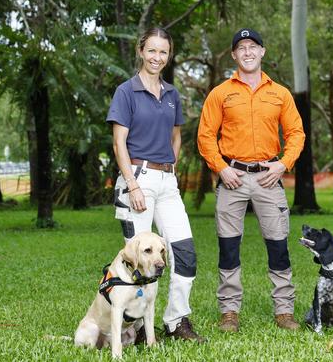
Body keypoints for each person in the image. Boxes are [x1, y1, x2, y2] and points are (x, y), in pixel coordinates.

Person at [197, 28, 306, 332]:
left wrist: (283, 164)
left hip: (269, 178)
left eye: (252, 46)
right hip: (232, 178)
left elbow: (296, 133)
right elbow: (205, 135)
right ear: (234, 55)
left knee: (278, 246)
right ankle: (229, 311)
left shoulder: (280, 94)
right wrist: (221, 168)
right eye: (241, 47)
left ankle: (284, 311)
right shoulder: (221, 93)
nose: (247, 52)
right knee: (229, 247)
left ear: (262, 52)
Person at [106, 27, 204, 342]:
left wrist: (171, 166)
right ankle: (133, 328)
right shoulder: (126, 91)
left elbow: (176, 136)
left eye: (163, 52)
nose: (157, 57)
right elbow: (119, 143)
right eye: (152, 51)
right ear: (141, 51)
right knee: (137, 257)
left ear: (168, 55)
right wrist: (133, 185)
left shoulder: (173, 94)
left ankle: (176, 322)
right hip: (138, 180)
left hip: (167, 183)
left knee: (185, 252)